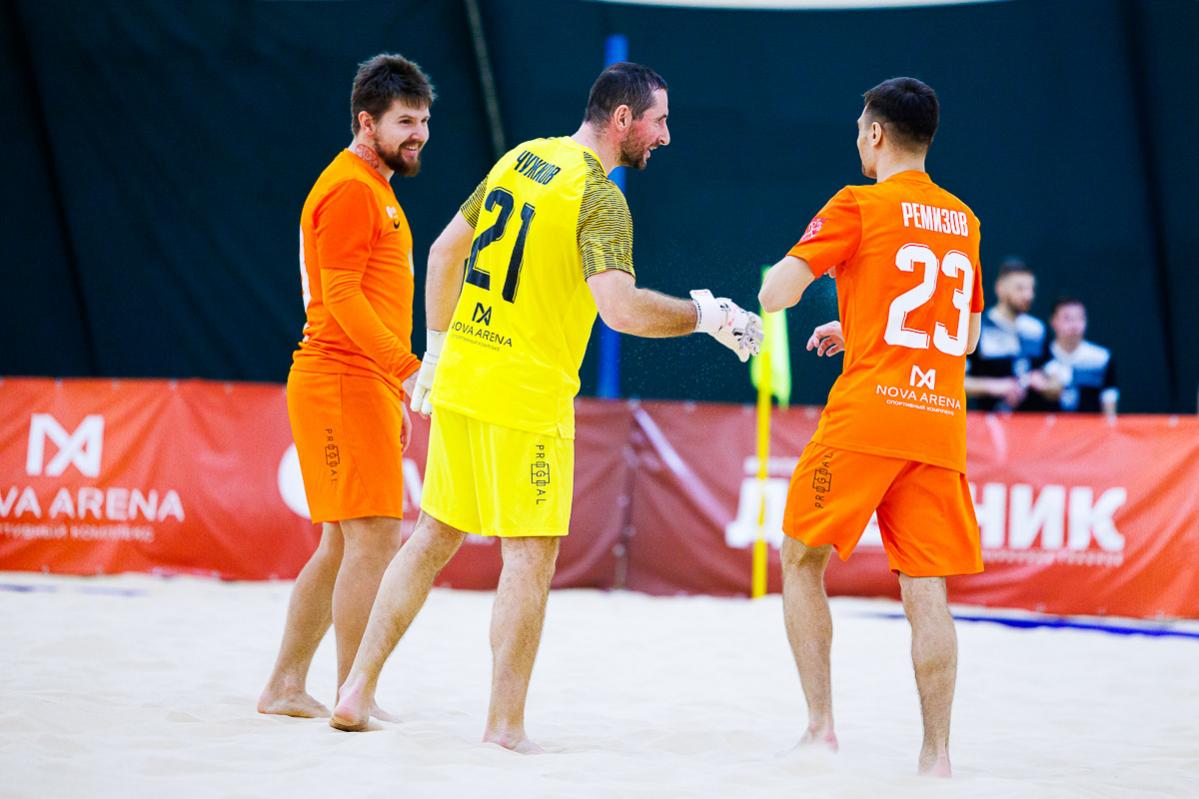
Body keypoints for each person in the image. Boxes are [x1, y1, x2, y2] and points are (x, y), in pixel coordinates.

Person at [328, 62, 762, 748]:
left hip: (464, 374)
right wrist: (708, 317)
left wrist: (436, 354)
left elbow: (443, 254)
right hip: (527, 397)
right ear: (623, 119)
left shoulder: (522, 157)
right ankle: (504, 727)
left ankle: (355, 688)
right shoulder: (599, 195)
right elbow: (620, 311)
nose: (665, 136)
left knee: (432, 536)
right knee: (529, 557)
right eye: (659, 121)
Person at [759, 77, 983, 777]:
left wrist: (801, 286)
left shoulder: (857, 203)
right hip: (937, 423)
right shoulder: (964, 219)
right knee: (926, 590)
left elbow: (775, 292)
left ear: (877, 134)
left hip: (866, 419)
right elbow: (964, 337)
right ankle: (936, 756)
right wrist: (858, 324)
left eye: (860, 128)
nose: (857, 138)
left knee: (800, 557)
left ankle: (820, 728)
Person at [257, 54, 432, 720]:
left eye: (424, 121)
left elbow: (362, 298)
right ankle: (354, 694)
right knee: (374, 537)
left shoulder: (372, 186)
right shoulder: (353, 188)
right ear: (367, 121)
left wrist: (390, 388)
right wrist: (404, 369)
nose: (419, 134)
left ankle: (285, 686)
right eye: (405, 121)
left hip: (356, 379)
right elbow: (342, 299)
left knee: (343, 542)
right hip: (339, 376)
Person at [963, 258, 1059, 411]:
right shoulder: (981, 327)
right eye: (1020, 288)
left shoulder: (1037, 330)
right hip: (988, 419)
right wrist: (995, 387)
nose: (1028, 296)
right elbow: (958, 381)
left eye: (1031, 289)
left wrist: (1042, 384)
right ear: (1000, 288)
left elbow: (1057, 382)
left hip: (1032, 420)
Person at [1043, 297, 1118, 416]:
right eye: (1067, 318)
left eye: (1079, 318)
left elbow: (1108, 400)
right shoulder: (1042, 356)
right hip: (1049, 425)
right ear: (1053, 322)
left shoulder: (1101, 358)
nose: (1074, 325)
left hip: (1090, 426)